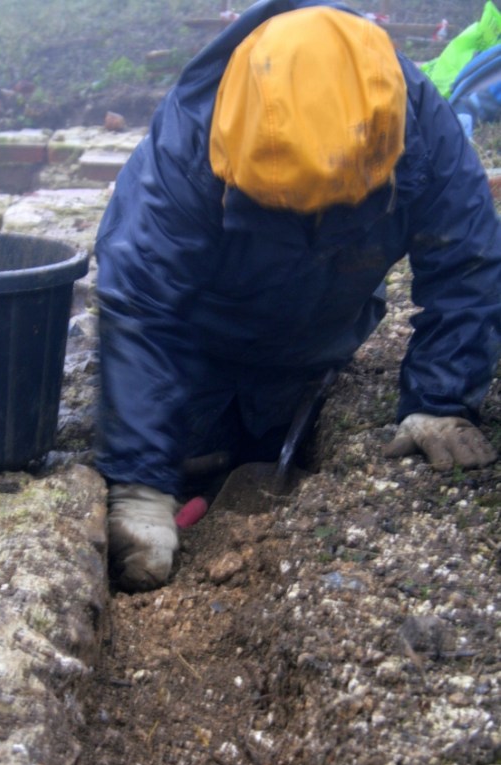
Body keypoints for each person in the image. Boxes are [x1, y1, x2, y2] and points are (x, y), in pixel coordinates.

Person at [95, 1, 501, 593]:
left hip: (317, 340)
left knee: (275, 436)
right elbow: (140, 300)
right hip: (197, 345)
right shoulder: (190, 140)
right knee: (188, 454)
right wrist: (138, 484)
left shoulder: (416, 121)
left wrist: (441, 396)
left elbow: (467, 260)